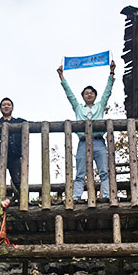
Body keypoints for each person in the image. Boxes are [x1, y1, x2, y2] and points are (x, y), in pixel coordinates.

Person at [56, 60, 115, 201]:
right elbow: (69, 94)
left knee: (103, 171)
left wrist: (112, 73)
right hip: (83, 142)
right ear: (83, 96)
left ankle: (106, 195)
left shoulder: (100, 106)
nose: (89, 95)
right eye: (86, 93)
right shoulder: (78, 108)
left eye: (91, 93)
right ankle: (76, 197)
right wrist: (61, 76)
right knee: (80, 172)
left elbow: (107, 91)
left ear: (95, 95)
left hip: (98, 142)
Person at [0, 98, 26, 200]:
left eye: (8, 105)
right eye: (3, 105)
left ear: (12, 107)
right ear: (0, 108)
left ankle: (21, 202)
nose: (6, 106)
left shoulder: (19, 121)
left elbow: (31, 124)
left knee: (17, 180)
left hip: (14, 155)